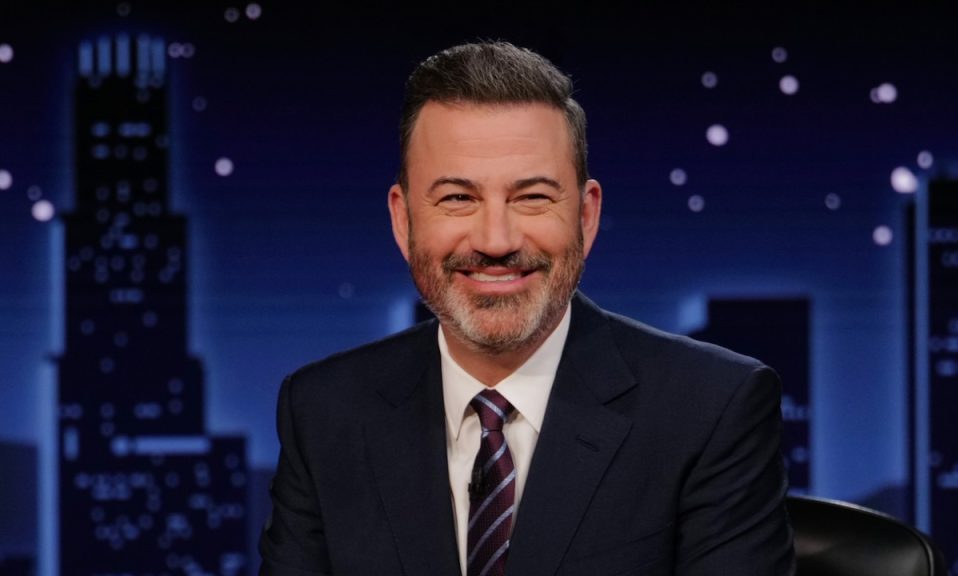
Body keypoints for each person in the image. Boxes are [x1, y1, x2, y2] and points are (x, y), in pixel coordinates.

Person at [259, 41, 794, 576]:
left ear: (586, 217)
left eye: (532, 197)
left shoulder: (711, 410)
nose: (496, 240)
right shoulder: (323, 412)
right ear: (404, 222)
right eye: (457, 198)